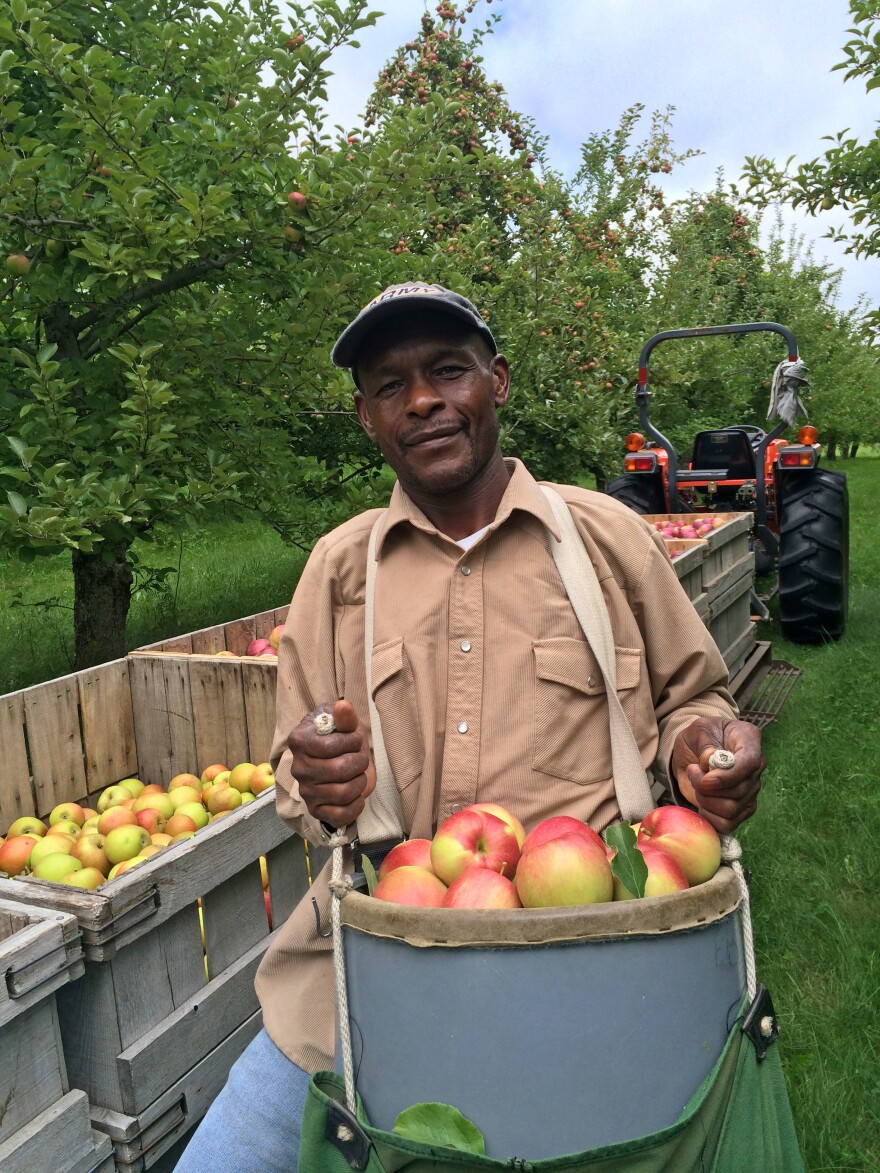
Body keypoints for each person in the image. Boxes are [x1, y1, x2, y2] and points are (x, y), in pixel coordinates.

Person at [175, 281, 764, 1172]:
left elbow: (697, 700)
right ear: (368, 417)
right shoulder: (339, 572)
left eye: (448, 370)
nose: (421, 400)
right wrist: (319, 777)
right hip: (369, 974)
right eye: (389, 385)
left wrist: (701, 751)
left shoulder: (606, 539)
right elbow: (297, 766)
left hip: (595, 966)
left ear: (498, 380)